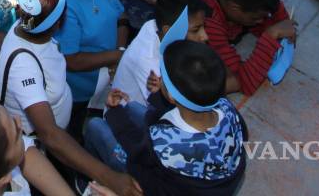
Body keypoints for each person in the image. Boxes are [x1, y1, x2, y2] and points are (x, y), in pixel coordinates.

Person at [0, 0, 141, 196]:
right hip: (41, 152)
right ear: (58, 24)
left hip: (61, 134)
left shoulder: (28, 24)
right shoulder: (23, 66)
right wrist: (109, 176)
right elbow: (50, 135)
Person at [104, 38, 246, 195]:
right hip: (221, 185)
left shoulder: (162, 141)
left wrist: (114, 113)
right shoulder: (227, 108)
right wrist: (160, 96)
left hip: (168, 189)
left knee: (96, 128)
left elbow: (136, 154)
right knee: (134, 109)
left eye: (163, 77)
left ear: (171, 95)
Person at [54, 0, 126, 134]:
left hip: (110, 75)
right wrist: (117, 56)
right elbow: (72, 60)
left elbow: (120, 16)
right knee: (76, 132)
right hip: (80, 89)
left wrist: (118, 56)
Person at [107, 0, 210, 108]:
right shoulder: (149, 64)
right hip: (133, 120)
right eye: (196, 30)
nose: (205, 36)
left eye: (203, 27)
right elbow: (175, 109)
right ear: (168, 31)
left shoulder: (155, 26)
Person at [197, 0, 293, 96]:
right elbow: (245, 84)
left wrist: (283, 21)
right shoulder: (207, 24)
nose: (260, 21)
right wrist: (271, 34)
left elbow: (271, 4)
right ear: (234, 7)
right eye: (255, 18)